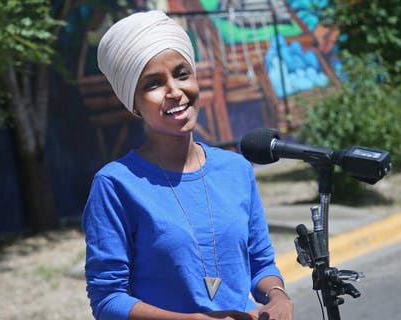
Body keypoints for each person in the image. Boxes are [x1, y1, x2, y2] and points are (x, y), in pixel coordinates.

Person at [83, 10, 294, 320]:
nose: (174, 91)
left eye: (182, 74)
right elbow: (108, 300)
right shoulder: (115, 185)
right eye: (153, 84)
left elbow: (260, 263)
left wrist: (278, 296)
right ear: (133, 103)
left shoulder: (236, 169)